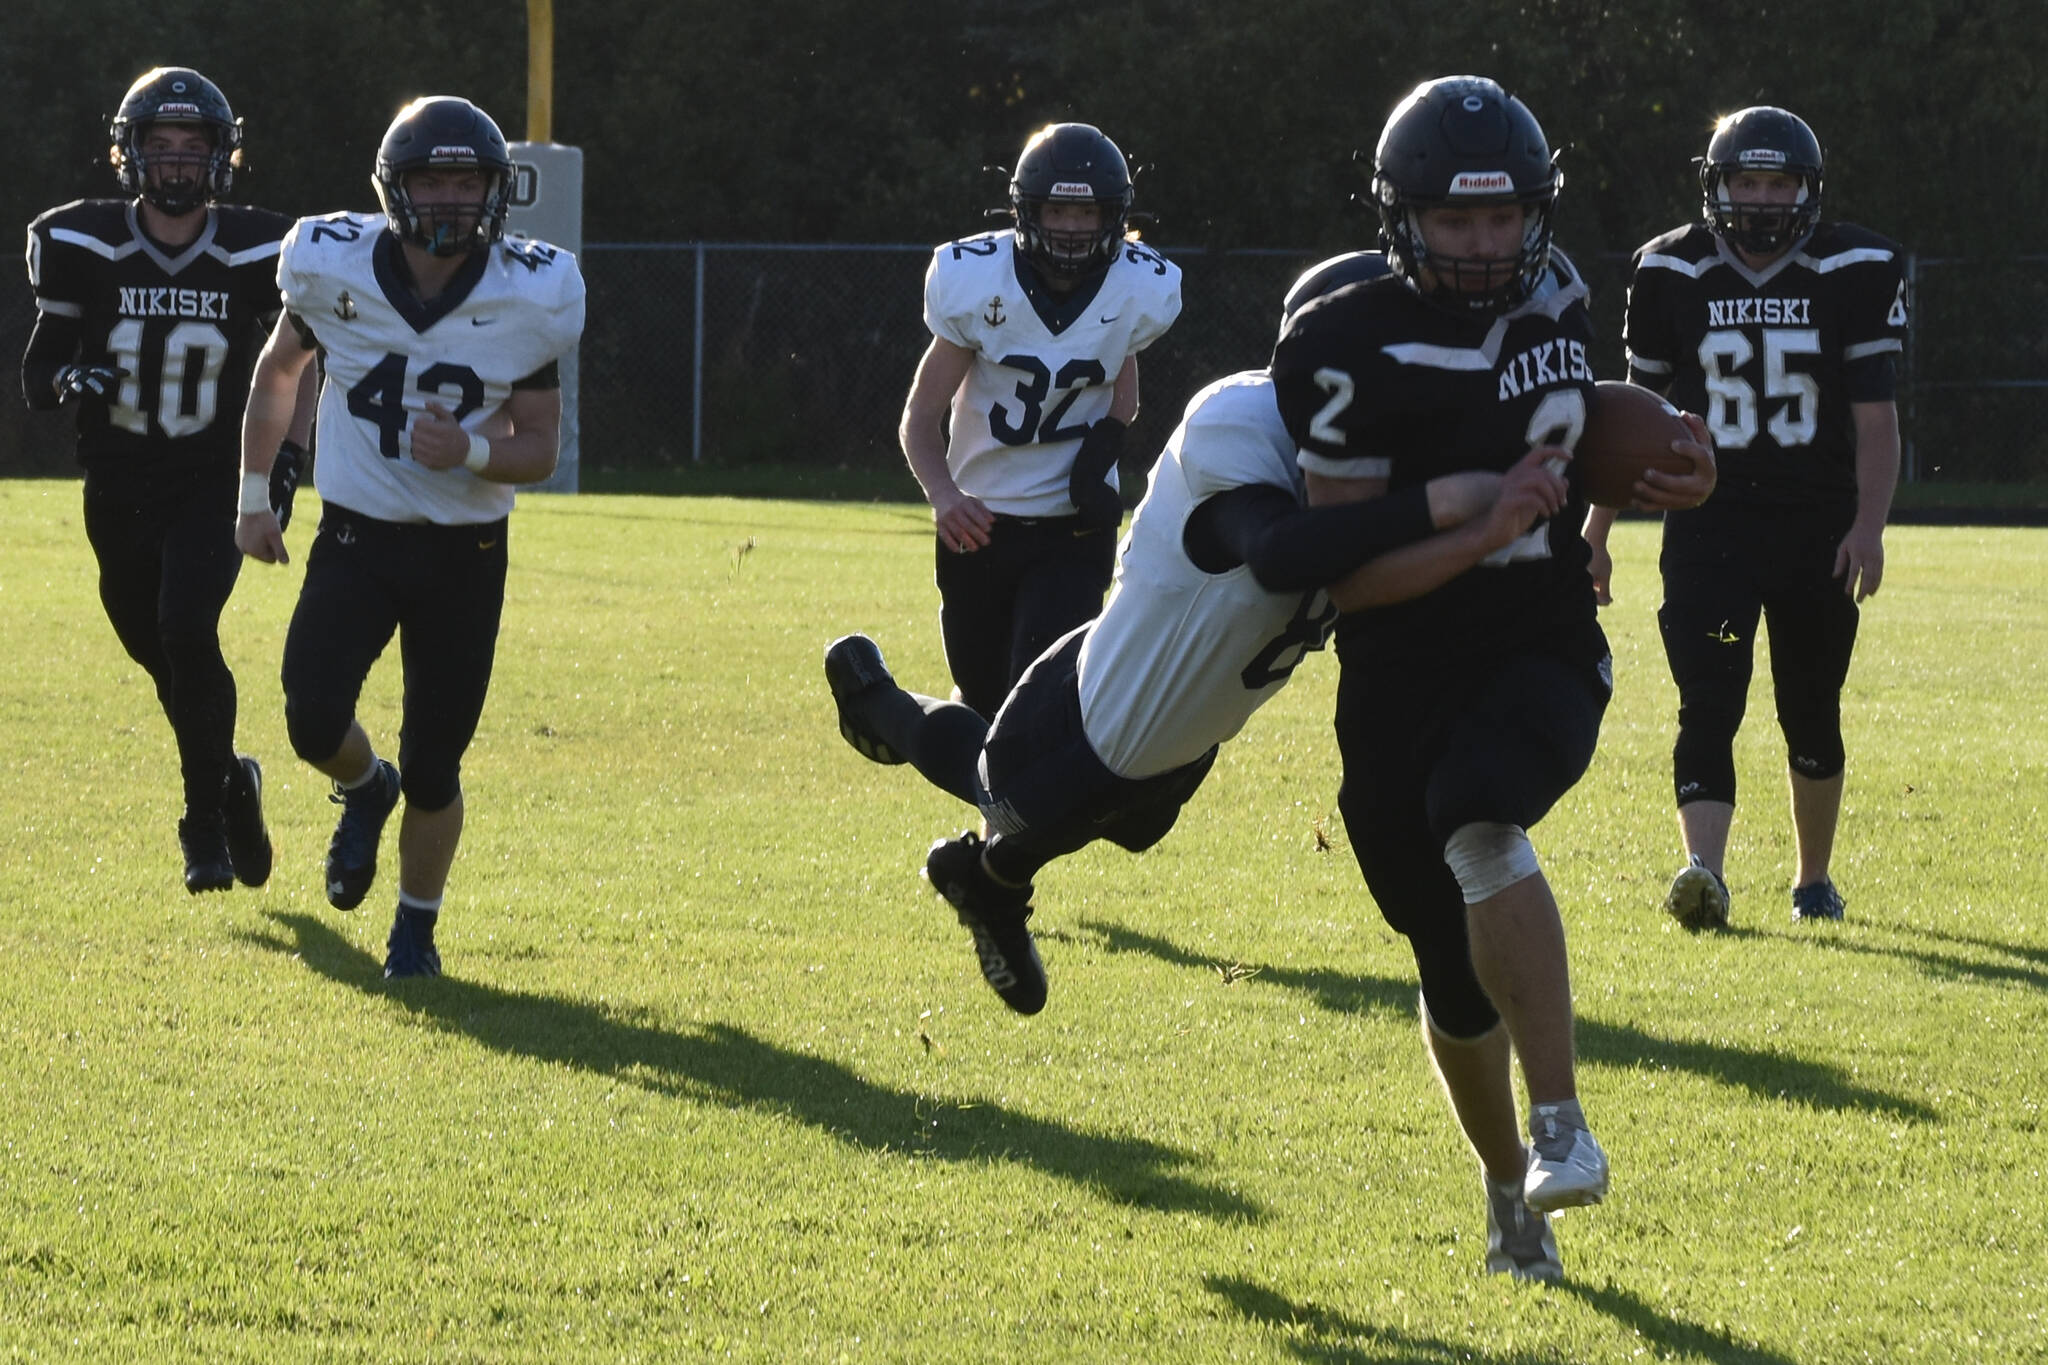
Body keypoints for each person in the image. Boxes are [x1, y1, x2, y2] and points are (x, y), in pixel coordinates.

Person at [831, 250, 1574, 1016]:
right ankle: (876, 700)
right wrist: (1455, 503)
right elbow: (1287, 554)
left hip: (1192, 723)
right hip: (1091, 708)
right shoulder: (1239, 423)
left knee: (1131, 823)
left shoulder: (1391, 451)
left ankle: (984, 878)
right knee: (1002, 785)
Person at [1270, 78, 1714, 1280]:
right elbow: (1343, 577)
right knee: (1440, 967)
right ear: (1399, 217)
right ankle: (1506, 1187)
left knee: (1475, 806)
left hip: (1540, 641)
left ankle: (1562, 1121)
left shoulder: (1561, 290)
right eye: (1455, 223)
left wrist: (1676, 467)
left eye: (1502, 218)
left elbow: (1589, 433)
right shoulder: (1341, 341)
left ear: (1535, 210)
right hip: (1397, 666)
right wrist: (1472, 529)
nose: (1482, 246)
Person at [235, 96, 586, 979]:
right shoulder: (329, 264)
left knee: (438, 760)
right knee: (312, 715)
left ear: (496, 190)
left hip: (465, 553)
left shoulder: (532, 292)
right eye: (433, 179)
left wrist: (470, 448)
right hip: (357, 535)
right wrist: (253, 492)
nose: (451, 200)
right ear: (395, 187)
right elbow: (281, 370)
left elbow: (541, 445)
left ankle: (415, 932)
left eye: (468, 181)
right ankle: (363, 784)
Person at [1585, 106, 1908, 929]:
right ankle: (1705, 873)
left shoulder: (1857, 265)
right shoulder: (1669, 268)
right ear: (1717, 185)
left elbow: (1877, 419)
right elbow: (1635, 424)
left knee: (1810, 705)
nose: (1762, 199)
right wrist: (1595, 532)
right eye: (1746, 181)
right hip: (1709, 526)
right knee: (1710, 700)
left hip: (1816, 527)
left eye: (1778, 182)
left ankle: (1812, 879)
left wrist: (1869, 524)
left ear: (1808, 189)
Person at [20, 66, 315, 895]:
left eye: (194, 146)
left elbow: (304, 361)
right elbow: (39, 372)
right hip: (115, 484)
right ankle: (233, 782)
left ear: (222, 157)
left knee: (187, 628)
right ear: (130, 154)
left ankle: (202, 831)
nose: (179, 161)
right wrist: (71, 382)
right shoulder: (82, 243)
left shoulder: (264, 249)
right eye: (163, 144)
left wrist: (287, 461)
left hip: (211, 480)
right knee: (162, 655)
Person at [898, 122, 1182, 720]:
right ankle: (991, 812)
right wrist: (944, 496)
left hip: (1072, 527)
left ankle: (1017, 818)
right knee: (981, 698)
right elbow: (920, 416)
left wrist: (1099, 458)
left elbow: (1121, 397)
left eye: (1089, 213)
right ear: (1027, 210)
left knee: (1039, 699)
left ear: (1114, 216)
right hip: (979, 524)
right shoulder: (976, 281)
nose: (1073, 229)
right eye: (1057, 210)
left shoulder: (1135, 288)